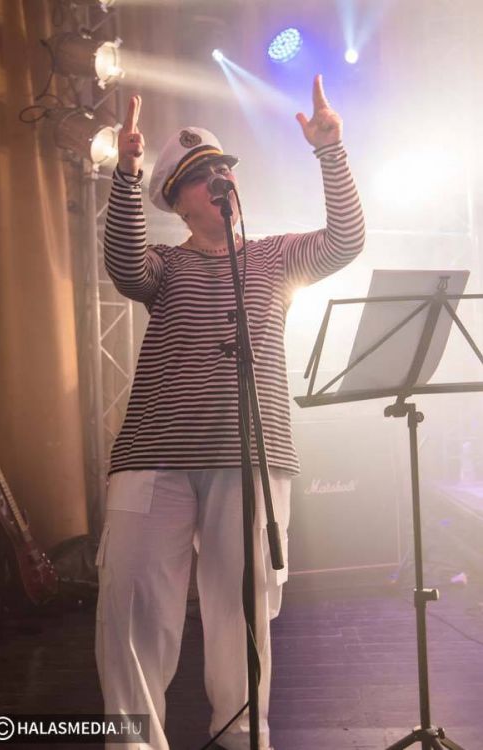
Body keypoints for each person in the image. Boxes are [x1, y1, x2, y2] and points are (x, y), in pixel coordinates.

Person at [95, 74, 365, 750]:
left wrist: (330, 151)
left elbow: (345, 241)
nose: (219, 178)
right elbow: (123, 265)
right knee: (132, 617)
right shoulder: (163, 264)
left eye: (223, 168)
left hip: (252, 456)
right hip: (153, 458)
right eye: (199, 175)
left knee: (242, 617)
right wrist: (126, 173)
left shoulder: (276, 256)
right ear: (177, 203)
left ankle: (241, 740)